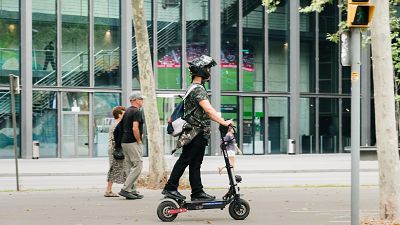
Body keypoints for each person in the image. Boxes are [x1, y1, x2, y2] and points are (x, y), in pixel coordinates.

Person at [162, 55, 232, 201]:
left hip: (198, 133)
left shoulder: (195, 88)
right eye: (208, 68)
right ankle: (170, 187)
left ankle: (197, 192)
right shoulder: (198, 89)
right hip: (195, 133)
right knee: (185, 160)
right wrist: (223, 122)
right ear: (201, 70)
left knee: (195, 163)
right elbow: (208, 110)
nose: (209, 72)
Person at [118, 91, 145, 200]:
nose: (142, 101)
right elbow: (135, 128)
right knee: (138, 165)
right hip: (132, 141)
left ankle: (132, 190)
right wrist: (138, 140)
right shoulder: (136, 112)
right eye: (141, 99)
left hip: (125, 142)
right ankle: (125, 189)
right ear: (136, 100)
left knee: (129, 166)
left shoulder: (127, 111)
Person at [104, 106, 127, 197]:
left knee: (119, 169)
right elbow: (117, 139)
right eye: (123, 113)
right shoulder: (117, 125)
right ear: (119, 114)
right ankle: (108, 190)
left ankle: (127, 188)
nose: (125, 115)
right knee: (114, 169)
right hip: (115, 150)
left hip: (114, 149)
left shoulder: (117, 124)